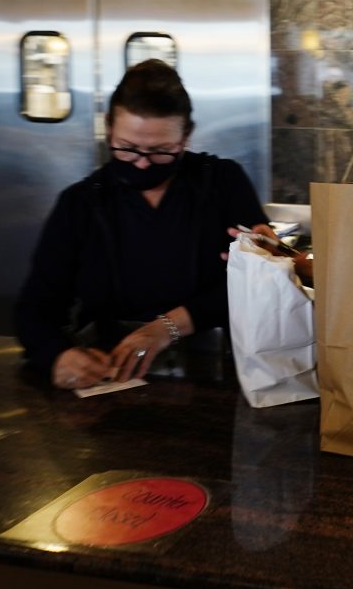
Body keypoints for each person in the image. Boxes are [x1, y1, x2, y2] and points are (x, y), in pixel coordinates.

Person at [16, 60, 272, 390]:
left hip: (216, 370)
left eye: (161, 151)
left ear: (186, 137)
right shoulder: (80, 204)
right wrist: (56, 357)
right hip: (109, 374)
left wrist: (168, 326)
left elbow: (256, 285)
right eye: (127, 148)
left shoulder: (223, 184)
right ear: (109, 128)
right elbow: (35, 308)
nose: (141, 162)